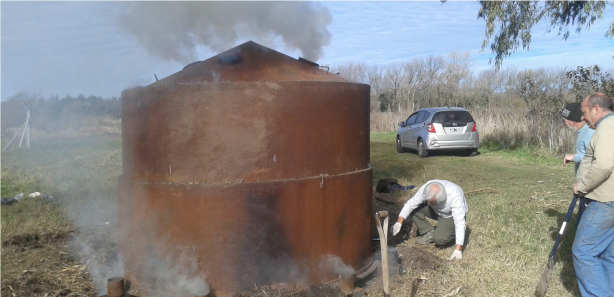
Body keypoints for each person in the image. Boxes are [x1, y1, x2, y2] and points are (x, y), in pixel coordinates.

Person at [572, 92, 614, 296]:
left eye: (584, 112)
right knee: (607, 253)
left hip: (604, 201)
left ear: (596, 109)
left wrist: (582, 186)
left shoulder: (607, 128)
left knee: (583, 252)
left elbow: (604, 165)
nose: (582, 117)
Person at [391, 180, 468, 260]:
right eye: (427, 200)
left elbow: (460, 222)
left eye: (431, 202)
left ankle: (451, 234)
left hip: (450, 216)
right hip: (434, 211)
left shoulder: (455, 196)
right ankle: (428, 232)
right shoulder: (427, 187)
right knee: (411, 204)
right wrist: (399, 223)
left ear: (440, 199)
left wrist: (458, 249)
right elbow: (410, 204)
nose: (427, 203)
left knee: (440, 240)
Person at [561, 102, 595, 226]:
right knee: (581, 221)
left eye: (565, 120)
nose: (563, 123)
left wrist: (575, 157)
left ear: (574, 121)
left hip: (591, 185)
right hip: (584, 185)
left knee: (585, 223)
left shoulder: (590, 132)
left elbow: (595, 156)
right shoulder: (582, 131)